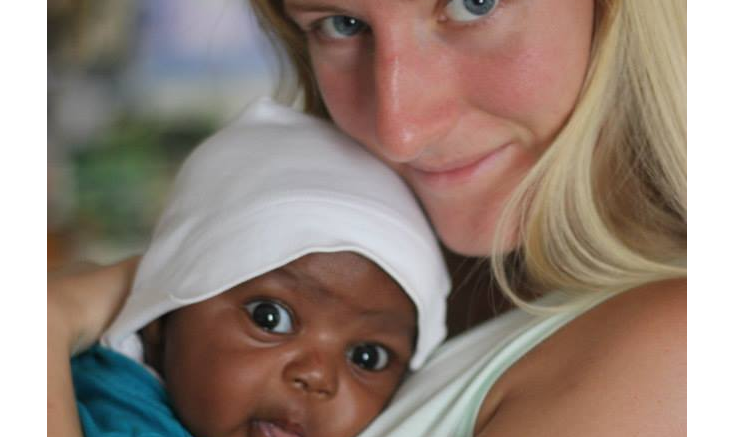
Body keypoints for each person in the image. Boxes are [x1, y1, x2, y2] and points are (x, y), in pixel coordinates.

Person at [49, 0, 687, 435]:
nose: (400, 127)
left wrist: (47, 324)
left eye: (475, 0)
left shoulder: (674, 351)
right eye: (342, 21)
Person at [53, 99, 451, 437]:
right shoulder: (118, 417)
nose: (316, 376)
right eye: (270, 317)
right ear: (160, 318)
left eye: (368, 357)